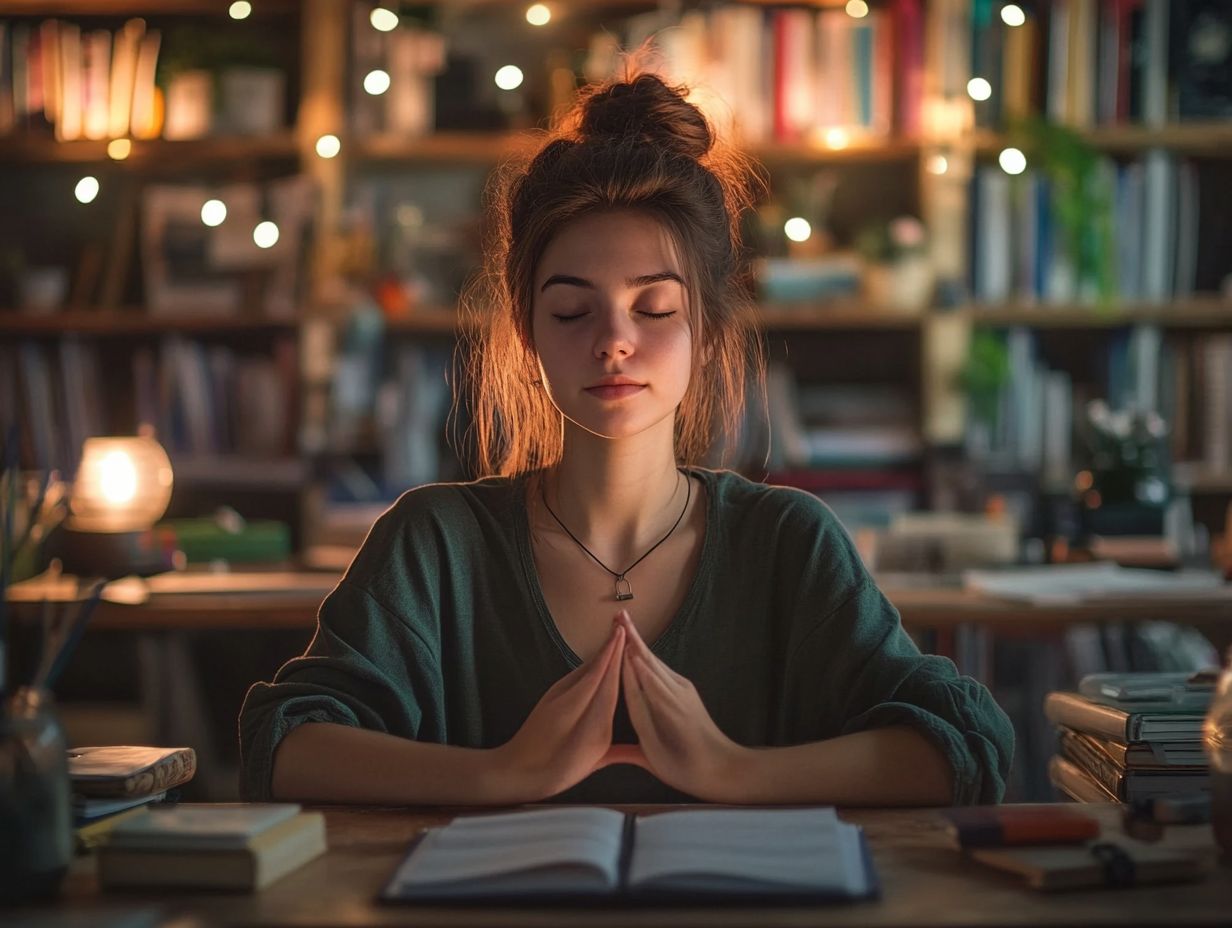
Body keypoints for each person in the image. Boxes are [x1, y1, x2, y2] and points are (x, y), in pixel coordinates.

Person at [239, 73, 1013, 806]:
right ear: (527, 333)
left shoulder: (786, 542)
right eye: (574, 311)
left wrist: (731, 770)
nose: (613, 341)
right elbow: (285, 746)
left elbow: (965, 745)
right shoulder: (434, 544)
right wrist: (504, 773)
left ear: (707, 332)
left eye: (654, 309)